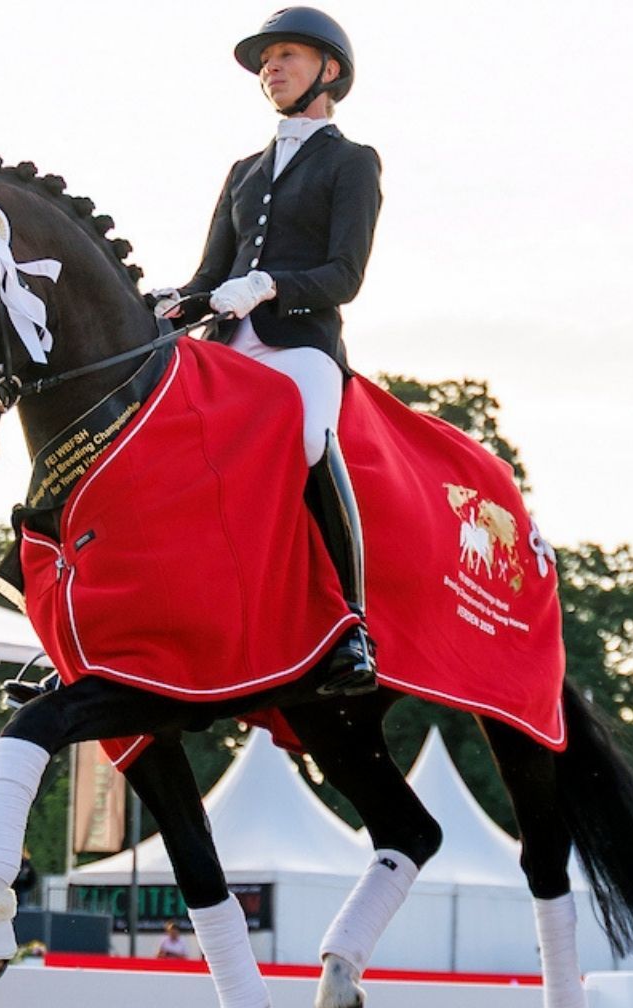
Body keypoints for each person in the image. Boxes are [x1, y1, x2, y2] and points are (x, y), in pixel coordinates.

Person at [153, 6, 379, 695]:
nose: (270, 69)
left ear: (328, 70)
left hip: (301, 347)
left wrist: (269, 286)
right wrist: (166, 304)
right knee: (145, 443)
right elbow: (207, 279)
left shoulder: (352, 162)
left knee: (311, 437)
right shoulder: (243, 169)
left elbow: (345, 276)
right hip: (227, 351)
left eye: (285, 56)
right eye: (266, 61)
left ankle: (350, 623)